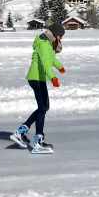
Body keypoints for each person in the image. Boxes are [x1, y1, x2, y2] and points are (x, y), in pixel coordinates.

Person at [12, 23, 66, 153]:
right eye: (61, 36)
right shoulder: (43, 43)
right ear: (56, 35)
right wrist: (53, 77)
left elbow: (51, 59)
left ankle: (21, 132)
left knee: (44, 107)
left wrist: (60, 66)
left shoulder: (46, 43)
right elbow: (46, 63)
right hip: (36, 78)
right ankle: (37, 141)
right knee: (42, 108)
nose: (62, 39)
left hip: (38, 78)